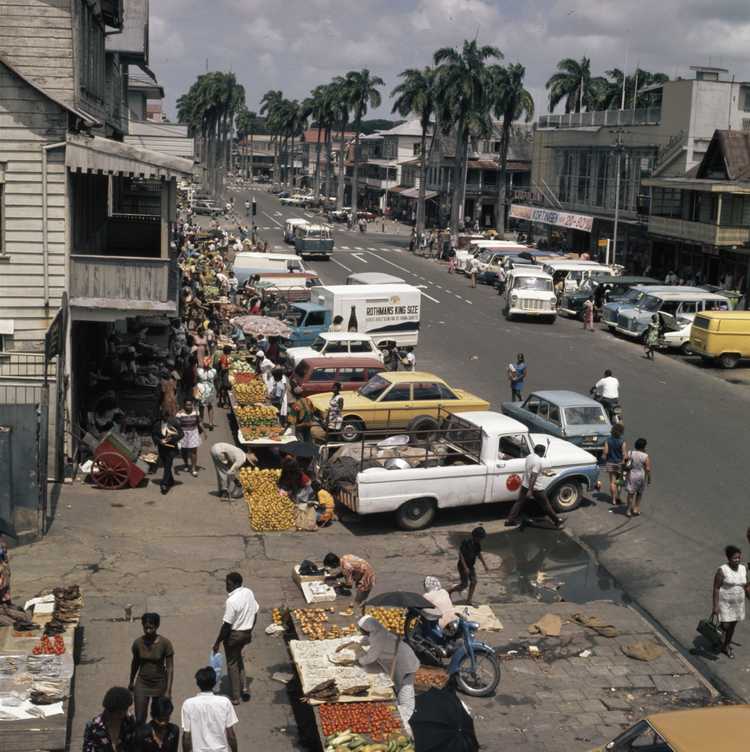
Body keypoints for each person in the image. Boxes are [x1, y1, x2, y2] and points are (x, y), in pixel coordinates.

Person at [337, 616, 419, 723]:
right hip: (400, 657)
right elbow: (367, 640)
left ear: (368, 629)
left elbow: (370, 658)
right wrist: (351, 641)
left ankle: (402, 718)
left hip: (405, 661)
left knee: (405, 688)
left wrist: (356, 661)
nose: (360, 631)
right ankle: (397, 707)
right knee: (399, 684)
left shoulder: (379, 638)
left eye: (362, 630)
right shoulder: (378, 632)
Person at [212, 572, 258, 705]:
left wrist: (217, 642)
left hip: (234, 635)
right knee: (238, 658)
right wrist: (250, 628)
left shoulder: (231, 601)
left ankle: (236, 696)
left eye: (228, 583)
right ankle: (245, 688)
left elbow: (226, 625)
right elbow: (255, 611)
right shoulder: (249, 592)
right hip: (246, 633)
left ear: (235, 584)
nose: (226, 586)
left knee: (232, 663)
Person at [128, 613, 174, 725]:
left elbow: (170, 667)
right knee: (139, 719)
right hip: (142, 683)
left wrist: (168, 690)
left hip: (160, 684)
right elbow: (135, 663)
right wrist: (131, 681)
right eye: (146, 627)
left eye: (151, 628)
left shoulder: (165, 644)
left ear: (157, 626)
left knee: (159, 718)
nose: (148, 630)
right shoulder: (137, 643)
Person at [505, 445, 564, 529]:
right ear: (542, 452)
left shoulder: (529, 456)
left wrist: (540, 472)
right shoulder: (538, 461)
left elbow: (532, 470)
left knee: (519, 502)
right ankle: (557, 521)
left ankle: (510, 520)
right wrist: (530, 490)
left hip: (524, 484)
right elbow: (533, 476)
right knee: (545, 505)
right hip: (536, 488)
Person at [181, 667, 238, 752]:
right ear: (215, 683)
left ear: (197, 683)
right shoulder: (224, 702)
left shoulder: (188, 704)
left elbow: (186, 737)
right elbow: (231, 735)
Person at [712, 546, 748, 659]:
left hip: (738, 604)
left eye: (738, 557)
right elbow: (716, 588)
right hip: (725, 603)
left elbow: (745, 585)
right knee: (725, 625)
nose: (737, 560)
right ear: (728, 558)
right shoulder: (722, 570)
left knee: (732, 626)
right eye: (734, 558)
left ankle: (726, 646)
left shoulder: (743, 568)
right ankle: (718, 636)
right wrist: (715, 606)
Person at [83, 686, 136, 752]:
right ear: (110, 711)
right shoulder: (94, 727)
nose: (125, 713)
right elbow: (88, 749)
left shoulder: (129, 721)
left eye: (126, 709)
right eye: (120, 712)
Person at [448, 526, 489, 606]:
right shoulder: (466, 542)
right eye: (480, 538)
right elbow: (461, 555)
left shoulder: (477, 545)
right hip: (462, 566)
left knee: (474, 582)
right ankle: (450, 591)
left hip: (470, 566)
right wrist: (465, 567)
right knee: (464, 585)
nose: (481, 540)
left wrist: (485, 565)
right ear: (476, 536)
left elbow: (479, 554)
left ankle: (469, 600)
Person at [152, 409, 184, 495]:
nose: (165, 418)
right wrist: (159, 441)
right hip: (162, 448)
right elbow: (154, 435)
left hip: (172, 448)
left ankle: (164, 484)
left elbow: (181, 434)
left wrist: (171, 439)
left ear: (168, 416)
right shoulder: (157, 424)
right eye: (163, 417)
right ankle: (171, 480)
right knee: (166, 464)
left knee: (167, 464)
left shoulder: (174, 423)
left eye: (166, 416)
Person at [601, 424, 628, 506]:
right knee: (619, 482)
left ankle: (613, 500)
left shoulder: (608, 440)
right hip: (619, 463)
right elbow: (624, 454)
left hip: (610, 462)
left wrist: (603, 457)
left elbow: (605, 452)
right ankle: (618, 497)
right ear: (621, 432)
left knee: (612, 482)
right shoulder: (622, 441)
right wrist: (624, 461)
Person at [625, 437, 652, 518]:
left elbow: (625, 462)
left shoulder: (630, 453)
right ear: (644, 446)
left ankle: (628, 510)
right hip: (641, 476)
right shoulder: (645, 456)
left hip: (631, 475)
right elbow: (647, 469)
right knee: (639, 493)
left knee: (630, 494)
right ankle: (636, 509)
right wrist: (649, 478)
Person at [176, 399, 203, 478]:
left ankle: (194, 469)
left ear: (192, 405)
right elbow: (177, 425)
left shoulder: (196, 412)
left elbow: (199, 421)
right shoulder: (179, 414)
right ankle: (186, 464)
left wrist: (204, 432)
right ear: (184, 405)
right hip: (183, 433)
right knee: (184, 451)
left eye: (190, 405)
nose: (189, 406)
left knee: (193, 451)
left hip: (194, 432)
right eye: (187, 405)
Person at [196, 357, 217, 430]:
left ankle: (201, 423)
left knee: (201, 407)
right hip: (210, 390)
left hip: (201, 390)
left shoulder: (199, 371)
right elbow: (215, 380)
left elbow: (197, 379)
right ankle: (210, 423)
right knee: (210, 406)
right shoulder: (214, 371)